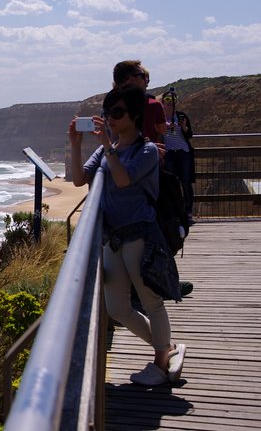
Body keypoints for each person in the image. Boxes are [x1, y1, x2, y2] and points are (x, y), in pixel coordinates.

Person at [69, 85, 186, 386]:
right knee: (118, 306)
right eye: (108, 113)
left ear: (134, 115)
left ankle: (161, 363)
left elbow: (123, 180)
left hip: (139, 236)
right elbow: (79, 179)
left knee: (150, 301)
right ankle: (166, 348)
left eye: (117, 113)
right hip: (114, 238)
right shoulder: (106, 149)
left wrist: (108, 143)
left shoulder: (145, 151)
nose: (110, 118)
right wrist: (75, 144)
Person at [161, 88, 195, 225]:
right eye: (167, 100)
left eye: (172, 100)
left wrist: (185, 128)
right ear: (162, 102)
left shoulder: (181, 116)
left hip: (183, 153)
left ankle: (188, 213)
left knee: (186, 183)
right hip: (169, 153)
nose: (170, 103)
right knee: (172, 184)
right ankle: (175, 213)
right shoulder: (160, 118)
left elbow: (189, 135)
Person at [112, 60, 167, 144]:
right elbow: (162, 130)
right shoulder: (154, 105)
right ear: (132, 79)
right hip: (148, 154)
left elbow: (113, 138)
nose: (146, 81)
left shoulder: (112, 105)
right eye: (143, 76)